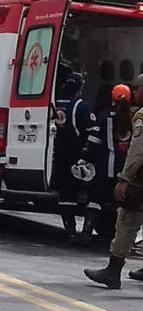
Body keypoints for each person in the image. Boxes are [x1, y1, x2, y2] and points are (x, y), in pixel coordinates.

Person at [84, 75, 143, 289]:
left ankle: (113, 270)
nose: (135, 92)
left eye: (137, 88)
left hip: (138, 180)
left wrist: (124, 179)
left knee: (127, 221)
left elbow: (137, 153)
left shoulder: (141, 117)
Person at [73, 84, 132, 245]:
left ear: (112, 97)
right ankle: (119, 238)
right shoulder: (133, 117)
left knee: (95, 199)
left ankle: (86, 233)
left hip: (104, 167)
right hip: (125, 169)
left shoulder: (104, 116)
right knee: (122, 204)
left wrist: (84, 158)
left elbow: (93, 141)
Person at [52, 73, 98, 238]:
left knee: (65, 195)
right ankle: (84, 231)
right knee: (83, 192)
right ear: (79, 87)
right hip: (76, 156)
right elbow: (92, 131)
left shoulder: (55, 104)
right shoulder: (82, 107)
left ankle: (69, 230)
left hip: (58, 154)